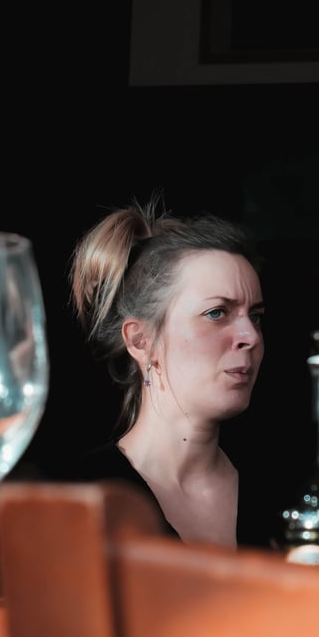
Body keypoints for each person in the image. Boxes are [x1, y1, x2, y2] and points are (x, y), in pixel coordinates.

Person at [64, 198, 270, 548]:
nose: (250, 337)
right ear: (142, 340)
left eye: (256, 317)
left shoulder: (284, 494)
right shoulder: (82, 501)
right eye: (217, 313)